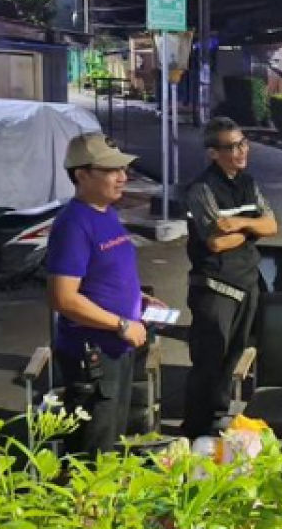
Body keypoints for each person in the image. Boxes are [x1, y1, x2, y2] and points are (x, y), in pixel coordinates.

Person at [47, 132, 164, 454]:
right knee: (94, 450)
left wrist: (137, 299)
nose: (122, 177)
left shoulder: (106, 213)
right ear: (82, 175)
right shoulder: (73, 224)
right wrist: (122, 324)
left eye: (123, 169)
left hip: (119, 346)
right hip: (94, 353)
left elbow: (104, 273)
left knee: (114, 438)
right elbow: (63, 298)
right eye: (111, 170)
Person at [183, 116, 278, 439]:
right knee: (209, 362)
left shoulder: (248, 183)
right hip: (215, 288)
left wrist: (241, 224)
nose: (241, 151)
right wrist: (253, 227)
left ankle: (217, 421)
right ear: (214, 153)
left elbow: (272, 225)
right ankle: (195, 431)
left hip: (247, 282)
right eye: (233, 147)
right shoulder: (202, 188)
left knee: (233, 359)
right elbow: (215, 242)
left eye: (243, 143)